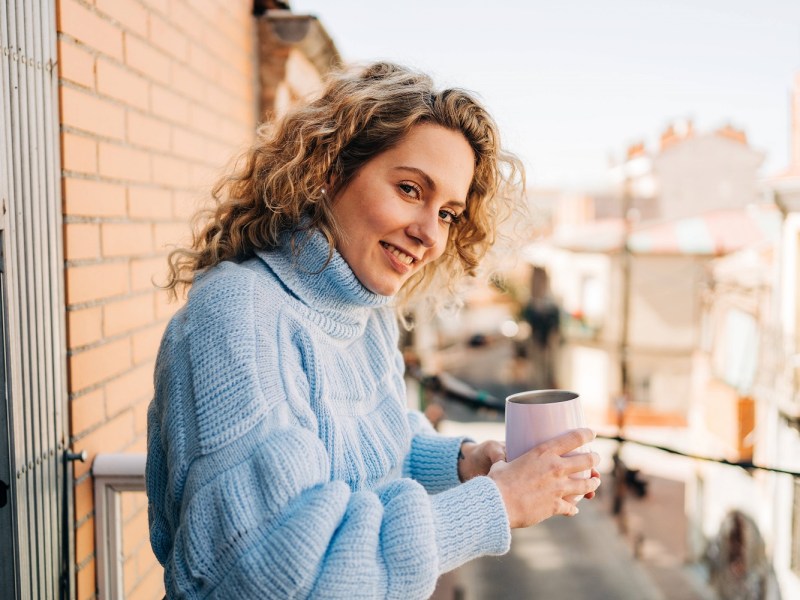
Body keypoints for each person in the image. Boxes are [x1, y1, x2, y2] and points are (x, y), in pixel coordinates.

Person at [146, 61, 601, 599]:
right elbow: (277, 572)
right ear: (329, 170)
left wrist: (464, 463)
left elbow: (375, 448)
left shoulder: (363, 314)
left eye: (449, 213)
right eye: (410, 189)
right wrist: (497, 503)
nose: (430, 233)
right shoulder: (238, 315)